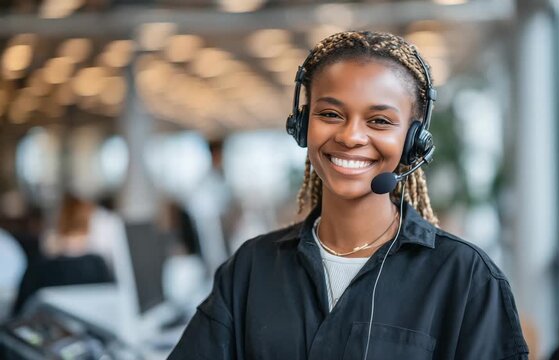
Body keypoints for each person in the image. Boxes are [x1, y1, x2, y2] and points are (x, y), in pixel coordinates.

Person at [169, 31, 529, 359]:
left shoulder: (465, 278)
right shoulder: (251, 268)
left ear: (413, 141)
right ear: (301, 124)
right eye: (330, 114)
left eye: (379, 121)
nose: (351, 136)